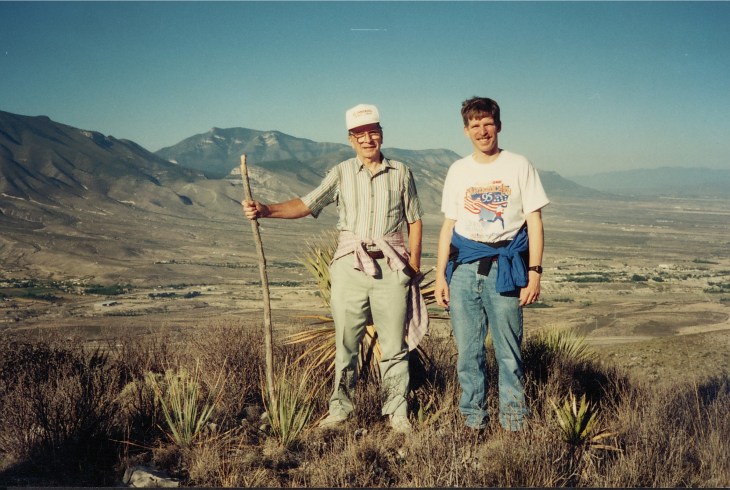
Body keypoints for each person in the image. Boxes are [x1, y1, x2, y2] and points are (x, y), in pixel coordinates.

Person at [243, 104, 425, 434]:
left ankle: (397, 412)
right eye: (360, 134)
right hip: (349, 267)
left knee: (395, 345)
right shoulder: (341, 173)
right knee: (346, 343)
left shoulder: (401, 172)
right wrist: (266, 209)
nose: (368, 139)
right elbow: (307, 203)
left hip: (391, 266)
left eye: (373, 132)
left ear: (381, 133)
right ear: (351, 140)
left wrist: (412, 264)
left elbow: (414, 219)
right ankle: (341, 409)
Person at [434, 96, 549, 432]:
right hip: (464, 268)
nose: (482, 131)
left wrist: (535, 272)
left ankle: (514, 423)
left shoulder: (519, 165)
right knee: (468, 353)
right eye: (475, 125)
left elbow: (535, 221)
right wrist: (441, 275)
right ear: (466, 130)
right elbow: (448, 226)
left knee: (509, 352)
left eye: (487, 123)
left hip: (505, 266)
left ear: (498, 125)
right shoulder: (458, 170)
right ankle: (473, 421)